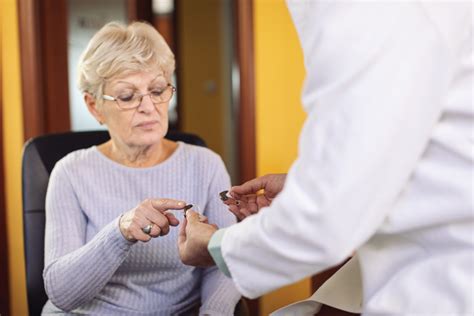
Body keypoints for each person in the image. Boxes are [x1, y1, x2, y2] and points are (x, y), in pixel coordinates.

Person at [178, 1, 473, 314]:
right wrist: (301, 188)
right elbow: (406, 144)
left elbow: (326, 217)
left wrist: (216, 246)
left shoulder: (367, 11)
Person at [42, 21, 240, 315]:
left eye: (158, 90)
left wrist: (212, 313)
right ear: (94, 106)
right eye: (127, 96)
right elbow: (62, 293)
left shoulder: (205, 164)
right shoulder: (70, 172)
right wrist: (120, 232)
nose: (149, 106)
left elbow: (225, 262)